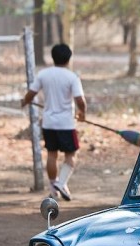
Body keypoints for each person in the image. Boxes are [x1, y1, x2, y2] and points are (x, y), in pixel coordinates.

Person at [21, 43, 86, 201]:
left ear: (53, 57)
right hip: (66, 123)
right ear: (69, 59)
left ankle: (53, 189)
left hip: (49, 122)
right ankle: (61, 183)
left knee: (52, 154)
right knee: (71, 155)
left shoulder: (44, 74)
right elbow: (80, 100)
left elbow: (30, 94)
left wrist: (24, 101)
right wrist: (82, 112)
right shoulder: (72, 77)